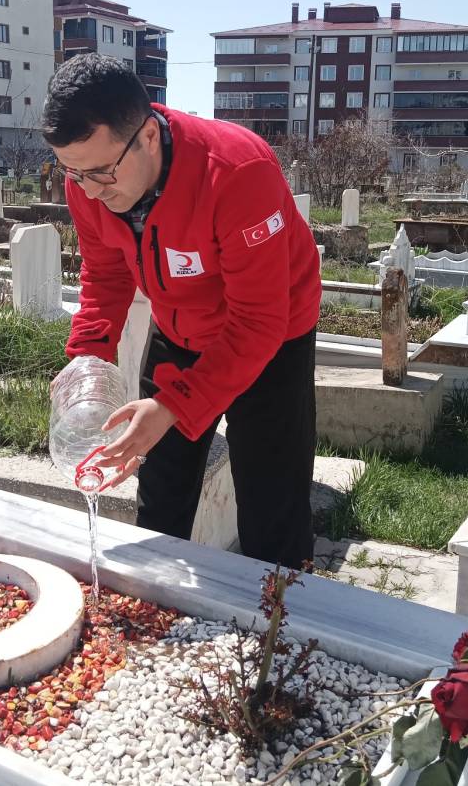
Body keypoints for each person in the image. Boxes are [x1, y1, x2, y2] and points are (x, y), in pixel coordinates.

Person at [42, 54, 321, 569]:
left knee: (270, 497)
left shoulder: (238, 173)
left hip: (271, 336)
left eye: (102, 172)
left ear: (148, 136)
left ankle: (281, 628)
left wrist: (174, 407)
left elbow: (258, 321)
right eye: (74, 174)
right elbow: (105, 277)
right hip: (179, 326)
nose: (91, 192)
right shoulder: (88, 179)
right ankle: (161, 602)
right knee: (161, 482)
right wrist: (86, 362)